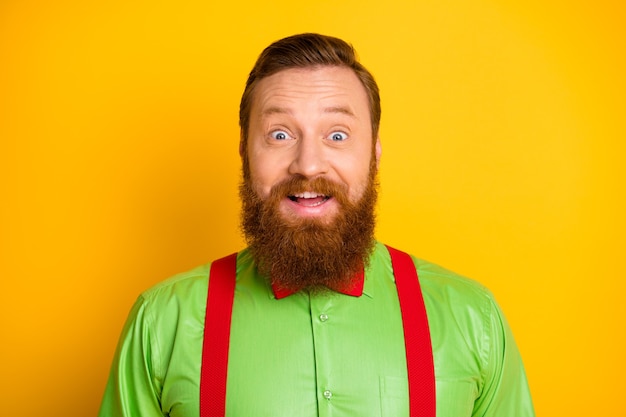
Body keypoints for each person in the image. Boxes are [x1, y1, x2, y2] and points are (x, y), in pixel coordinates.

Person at [99, 33, 535, 417]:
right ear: (244, 153)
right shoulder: (162, 323)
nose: (308, 165)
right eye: (280, 134)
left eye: (337, 135)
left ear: (374, 153)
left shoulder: (472, 319)